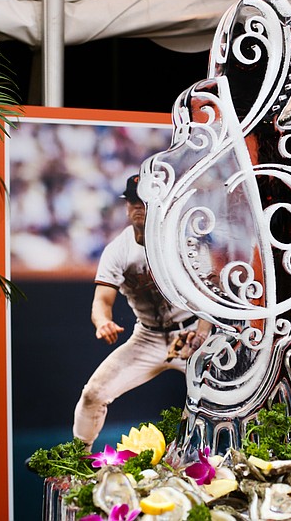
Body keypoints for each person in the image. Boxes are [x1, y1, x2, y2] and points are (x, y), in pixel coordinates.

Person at [72, 174, 211, 450]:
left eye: (144, 201)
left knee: (227, 399)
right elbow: (101, 302)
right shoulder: (117, 250)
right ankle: (78, 458)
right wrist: (103, 322)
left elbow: (209, 293)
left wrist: (202, 333)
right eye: (133, 201)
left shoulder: (183, 241)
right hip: (147, 338)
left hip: (192, 331)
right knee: (93, 394)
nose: (138, 207)